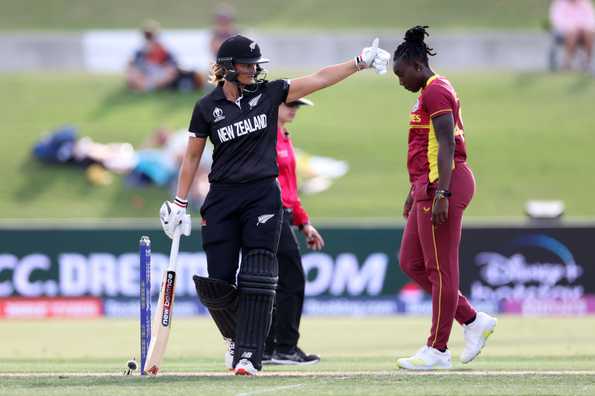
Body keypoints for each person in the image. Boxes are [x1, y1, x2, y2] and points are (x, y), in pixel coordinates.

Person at [159, 34, 390, 376]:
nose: (254, 70)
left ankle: (250, 355)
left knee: (258, 275)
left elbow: (320, 78)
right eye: (247, 65)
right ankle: (237, 339)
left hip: (262, 195)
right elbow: (192, 157)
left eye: (256, 64)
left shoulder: (271, 94)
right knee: (218, 282)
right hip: (221, 198)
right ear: (227, 68)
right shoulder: (206, 107)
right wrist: (180, 203)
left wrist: (359, 61)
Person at [391, 26, 497, 370]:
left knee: (441, 269)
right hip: (428, 184)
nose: (400, 81)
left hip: (444, 183)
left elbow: (447, 144)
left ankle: (437, 350)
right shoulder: (427, 91)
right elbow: (425, 147)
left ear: (416, 64)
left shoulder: (436, 91)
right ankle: (471, 320)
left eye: (401, 73)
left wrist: (442, 193)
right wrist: (414, 190)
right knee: (411, 261)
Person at [262, 98, 324, 366]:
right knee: (292, 280)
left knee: (275, 284)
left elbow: (290, 188)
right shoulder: (265, 137)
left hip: (283, 215)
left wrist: (303, 222)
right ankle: (284, 347)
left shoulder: (284, 136)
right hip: (271, 215)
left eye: (297, 105)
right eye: (290, 104)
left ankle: (268, 347)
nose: (294, 109)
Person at [126, 20, 180, 92]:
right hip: (146, 74)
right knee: (131, 69)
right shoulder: (141, 51)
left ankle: (150, 86)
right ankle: (146, 86)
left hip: (159, 73)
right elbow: (134, 65)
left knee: (170, 71)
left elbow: (172, 66)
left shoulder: (163, 49)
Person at [549, 0, 595, 71]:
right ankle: (567, 62)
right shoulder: (559, 3)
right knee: (572, 33)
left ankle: (588, 61)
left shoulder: (585, 3)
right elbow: (557, 21)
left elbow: (591, 19)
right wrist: (572, 27)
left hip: (583, 30)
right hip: (564, 31)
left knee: (589, 33)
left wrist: (582, 27)